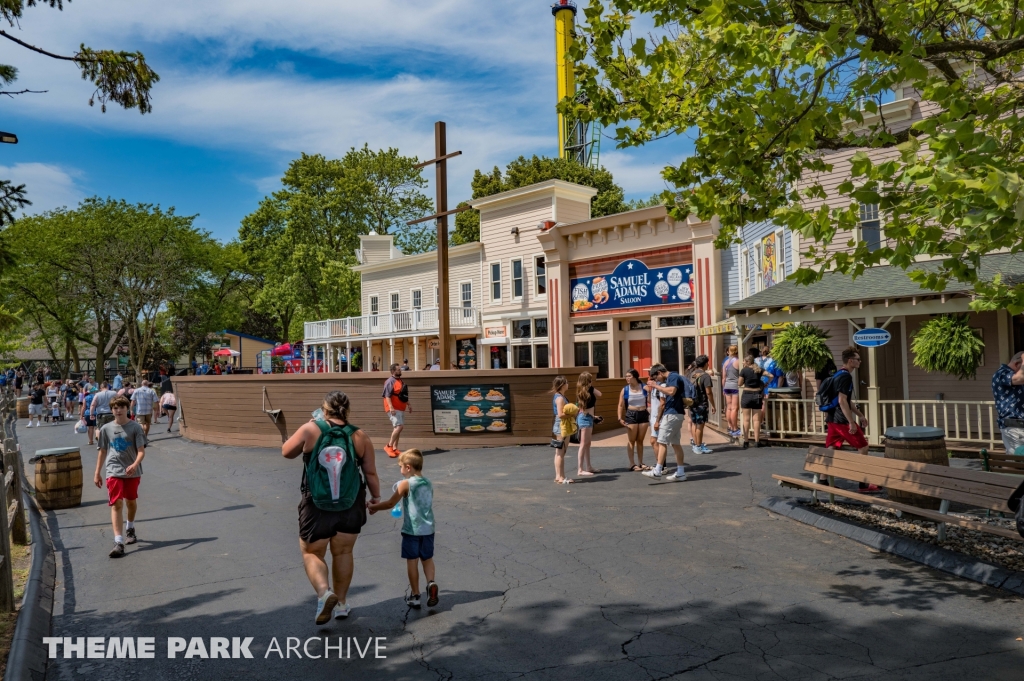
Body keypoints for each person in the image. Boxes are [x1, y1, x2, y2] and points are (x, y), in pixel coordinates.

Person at [281, 391, 381, 624]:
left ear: (324, 410)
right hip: (351, 503)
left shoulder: (311, 429)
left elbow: (286, 452)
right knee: (344, 552)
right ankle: (342, 604)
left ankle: (325, 593)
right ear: (347, 411)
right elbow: (371, 472)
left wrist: (308, 427)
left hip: (317, 504)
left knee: (312, 552)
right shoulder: (360, 435)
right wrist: (376, 497)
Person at [368, 449, 439, 609]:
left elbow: (390, 503)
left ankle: (415, 595)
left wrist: (374, 507)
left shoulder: (405, 484)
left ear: (408, 467)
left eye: (400, 466)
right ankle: (431, 583)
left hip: (412, 530)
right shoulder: (428, 482)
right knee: (427, 559)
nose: (399, 470)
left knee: (412, 561)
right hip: (428, 529)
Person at [94, 396, 146, 558]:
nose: (118, 410)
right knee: (116, 503)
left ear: (127, 409)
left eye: (121, 407)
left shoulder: (135, 427)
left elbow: (141, 451)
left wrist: (135, 464)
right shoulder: (106, 429)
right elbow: (102, 451)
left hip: (132, 471)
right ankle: (118, 541)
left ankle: (130, 527)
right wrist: (97, 473)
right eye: (115, 408)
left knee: (130, 501)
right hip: (113, 470)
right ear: (112, 410)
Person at [643, 364, 691, 481]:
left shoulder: (672, 377)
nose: (656, 381)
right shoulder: (671, 378)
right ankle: (680, 472)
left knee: (661, 442)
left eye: (655, 378)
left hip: (672, 414)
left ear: (659, 372)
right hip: (676, 414)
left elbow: (672, 391)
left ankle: (658, 470)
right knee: (675, 444)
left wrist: (656, 386)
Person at [617, 369, 650, 471]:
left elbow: (650, 399)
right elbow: (620, 405)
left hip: (643, 414)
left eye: (629, 376)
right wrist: (619, 418)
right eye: (626, 376)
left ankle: (640, 462)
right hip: (631, 414)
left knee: (640, 440)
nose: (627, 378)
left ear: (635, 377)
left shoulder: (644, 387)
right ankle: (632, 463)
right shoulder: (625, 389)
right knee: (632, 440)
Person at [992, 351, 1024, 454]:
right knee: (1017, 460)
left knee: (1013, 462)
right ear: (1016, 364)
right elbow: (1019, 378)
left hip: (1018, 427)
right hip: (1015, 427)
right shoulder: (1002, 373)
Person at [575, 372, 602, 477]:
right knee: (583, 444)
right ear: (587, 381)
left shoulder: (584, 391)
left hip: (588, 417)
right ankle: (580, 469)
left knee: (587, 444)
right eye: (590, 380)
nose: (592, 382)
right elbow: (599, 394)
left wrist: (594, 417)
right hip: (585, 418)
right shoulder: (584, 392)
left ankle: (588, 466)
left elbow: (599, 394)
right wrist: (591, 388)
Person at [688, 355, 717, 455]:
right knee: (700, 426)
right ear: (705, 364)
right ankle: (698, 446)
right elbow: (708, 392)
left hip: (692, 403)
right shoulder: (705, 376)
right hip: (701, 403)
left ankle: (696, 444)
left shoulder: (692, 374)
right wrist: (713, 405)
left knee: (694, 423)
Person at [382, 364, 410, 459]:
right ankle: (389, 446)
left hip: (400, 408)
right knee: (399, 426)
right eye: (398, 369)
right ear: (393, 371)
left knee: (397, 428)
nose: (400, 370)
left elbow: (403, 395)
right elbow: (387, 395)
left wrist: (408, 405)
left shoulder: (400, 381)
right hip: (394, 408)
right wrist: (391, 407)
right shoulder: (390, 381)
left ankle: (395, 448)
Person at [549, 375, 574, 484]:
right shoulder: (559, 398)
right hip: (561, 425)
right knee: (561, 452)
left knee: (559, 452)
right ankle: (560, 477)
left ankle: (559, 476)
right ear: (563, 385)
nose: (568, 384)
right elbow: (560, 414)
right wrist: (573, 413)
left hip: (561, 425)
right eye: (567, 383)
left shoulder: (559, 396)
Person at [738, 355, 764, 448]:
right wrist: (765, 384)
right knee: (756, 420)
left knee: (746, 419)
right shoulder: (759, 369)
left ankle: (746, 441)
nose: (742, 363)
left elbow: (739, 383)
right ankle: (757, 441)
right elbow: (771, 375)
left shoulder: (744, 370)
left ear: (748, 362)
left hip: (747, 394)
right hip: (757, 394)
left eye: (744, 361)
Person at [722, 345, 741, 438]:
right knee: (734, 408)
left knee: (728, 407)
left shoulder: (725, 362)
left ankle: (729, 426)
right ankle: (735, 428)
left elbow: (723, 377)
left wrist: (723, 389)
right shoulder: (738, 362)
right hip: (735, 386)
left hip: (727, 386)